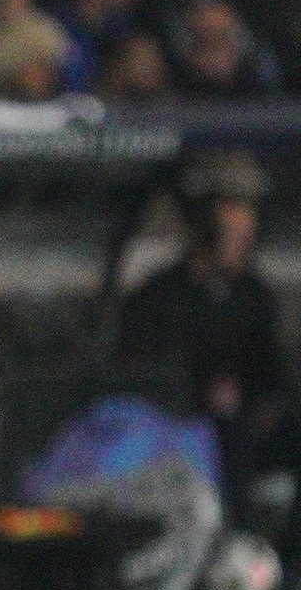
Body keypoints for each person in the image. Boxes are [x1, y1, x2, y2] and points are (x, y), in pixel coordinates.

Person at [114, 153, 291, 541]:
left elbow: (271, 370)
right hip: (176, 426)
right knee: (224, 434)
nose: (240, 236)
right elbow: (136, 368)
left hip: (245, 422)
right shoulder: (162, 293)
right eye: (228, 225)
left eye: (246, 225)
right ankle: (232, 541)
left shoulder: (253, 294)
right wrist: (201, 396)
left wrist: (258, 402)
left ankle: (277, 557)